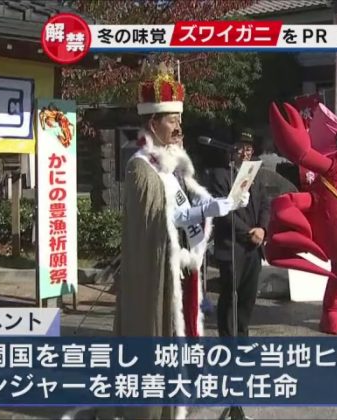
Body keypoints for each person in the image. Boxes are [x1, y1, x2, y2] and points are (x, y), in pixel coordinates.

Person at [114, 63, 248, 420]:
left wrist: (222, 204)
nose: (178, 127)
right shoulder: (140, 167)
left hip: (182, 264)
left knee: (184, 331)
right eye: (172, 120)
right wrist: (204, 211)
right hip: (158, 268)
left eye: (179, 120)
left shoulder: (168, 164)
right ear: (153, 123)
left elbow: (182, 209)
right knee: (163, 332)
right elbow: (156, 221)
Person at [209, 128, 272, 337]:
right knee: (230, 296)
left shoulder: (255, 174)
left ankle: (242, 337)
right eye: (241, 148)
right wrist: (248, 233)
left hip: (254, 246)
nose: (245, 153)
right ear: (232, 149)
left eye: (249, 148)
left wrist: (262, 229)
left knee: (248, 297)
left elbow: (265, 204)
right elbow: (223, 213)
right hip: (232, 246)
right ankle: (228, 341)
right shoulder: (220, 175)